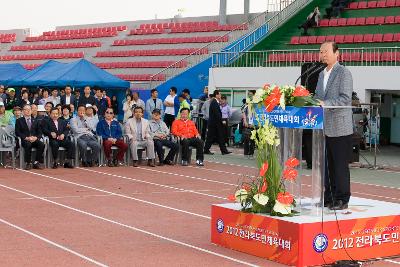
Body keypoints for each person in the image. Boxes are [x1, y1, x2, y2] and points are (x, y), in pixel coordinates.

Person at [315, 41, 353, 211]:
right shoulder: (321, 74)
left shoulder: (344, 72)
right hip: (324, 127)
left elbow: (345, 98)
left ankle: (342, 199)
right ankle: (329, 197)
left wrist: (325, 103)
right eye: (321, 52)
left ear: (337, 53)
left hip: (340, 127)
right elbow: (317, 96)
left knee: (339, 165)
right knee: (327, 166)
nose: (322, 54)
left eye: (326, 51)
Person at [15, 105, 45, 170]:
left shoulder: (36, 120)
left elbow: (40, 132)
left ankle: (36, 162)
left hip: (34, 139)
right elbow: (17, 132)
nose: (28, 111)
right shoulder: (19, 120)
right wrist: (26, 138)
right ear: (23, 111)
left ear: (31, 111)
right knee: (28, 145)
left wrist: (36, 138)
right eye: (26, 109)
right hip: (25, 140)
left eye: (29, 109)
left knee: (41, 144)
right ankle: (28, 163)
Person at [203, 90, 231, 155]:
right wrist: (222, 120)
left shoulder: (216, 102)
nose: (220, 96)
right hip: (213, 124)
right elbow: (217, 113)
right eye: (220, 94)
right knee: (210, 137)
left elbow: (217, 113)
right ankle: (206, 150)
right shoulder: (214, 102)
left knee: (220, 137)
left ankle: (224, 151)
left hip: (216, 124)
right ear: (216, 95)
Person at [242, 90, 256, 158]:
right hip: (247, 123)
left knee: (252, 140)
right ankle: (246, 153)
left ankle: (251, 153)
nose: (249, 95)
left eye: (250, 94)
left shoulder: (256, 104)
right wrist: (245, 121)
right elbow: (244, 112)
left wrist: (254, 123)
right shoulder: (247, 104)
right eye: (248, 94)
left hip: (253, 124)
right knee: (246, 138)